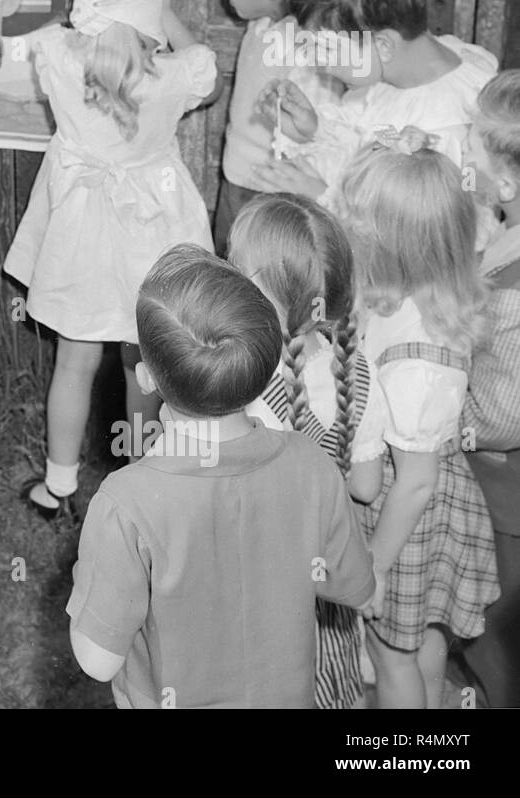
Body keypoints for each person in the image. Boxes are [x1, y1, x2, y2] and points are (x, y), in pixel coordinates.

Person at [67, 244, 376, 708]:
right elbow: (353, 587)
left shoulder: (125, 502)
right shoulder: (311, 463)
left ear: (148, 377)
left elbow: (97, 661)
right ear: (267, 365)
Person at [4, 0, 218, 512]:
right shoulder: (177, 74)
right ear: (151, 1)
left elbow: (75, 35)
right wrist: (161, 11)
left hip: (80, 230)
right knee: (144, 363)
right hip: (155, 228)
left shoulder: (53, 53)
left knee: (73, 361)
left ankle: (58, 486)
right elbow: (202, 63)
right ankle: (142, 488)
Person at [333, 131, 499, 708]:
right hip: (417, 502)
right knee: (422, 637)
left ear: (391, 246)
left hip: (406, 518)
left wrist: (371, 567)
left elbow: (418, 480)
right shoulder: (408, 299)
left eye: (354, 228)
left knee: (389, 653)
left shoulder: (419, 362)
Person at [227, 193, 391, 707]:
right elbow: (366, 486)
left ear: (252, 289)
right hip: (328, 580)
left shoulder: (241, 384)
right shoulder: (358, 371)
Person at [257, 0, 497, 203]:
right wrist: (316, 129)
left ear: (383, 45)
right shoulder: (407, 67)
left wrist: (323, 197)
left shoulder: (445, 134)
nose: (318, 62)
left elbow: (409, 230)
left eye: (326, 48)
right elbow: (369, 141)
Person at [193, 0, 330, 253]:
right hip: (237, 179)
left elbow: (322, 127)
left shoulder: (305, 44)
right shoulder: (262, 22)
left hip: (272, 195)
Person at [455, 72, 520, 707]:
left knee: (492, 631)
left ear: (505, 184)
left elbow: (504, 414)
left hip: (504, 496)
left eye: (469, 147)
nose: (462, 155)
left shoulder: (513, 293)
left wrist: (445, 416)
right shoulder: (504, 236)